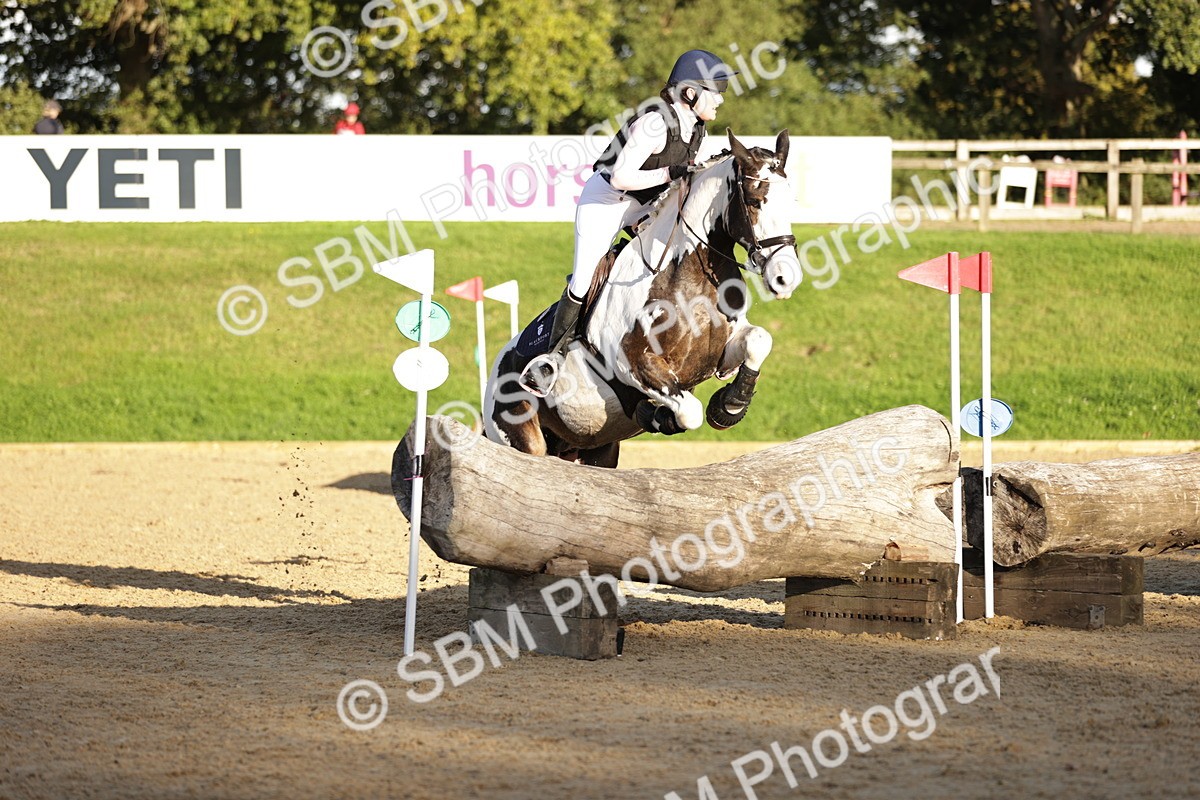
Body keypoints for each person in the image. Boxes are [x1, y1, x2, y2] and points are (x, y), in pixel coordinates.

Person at [536, 49, 738, 381]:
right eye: (715, 91)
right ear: (690, 92)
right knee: (584, 280)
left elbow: (682, 179)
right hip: (606, 202)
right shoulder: (655, 122)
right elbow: (620, 177)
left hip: (644, 205)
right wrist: (672, 173)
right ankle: (551, 359)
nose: (720, 100)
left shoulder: (697, 129)